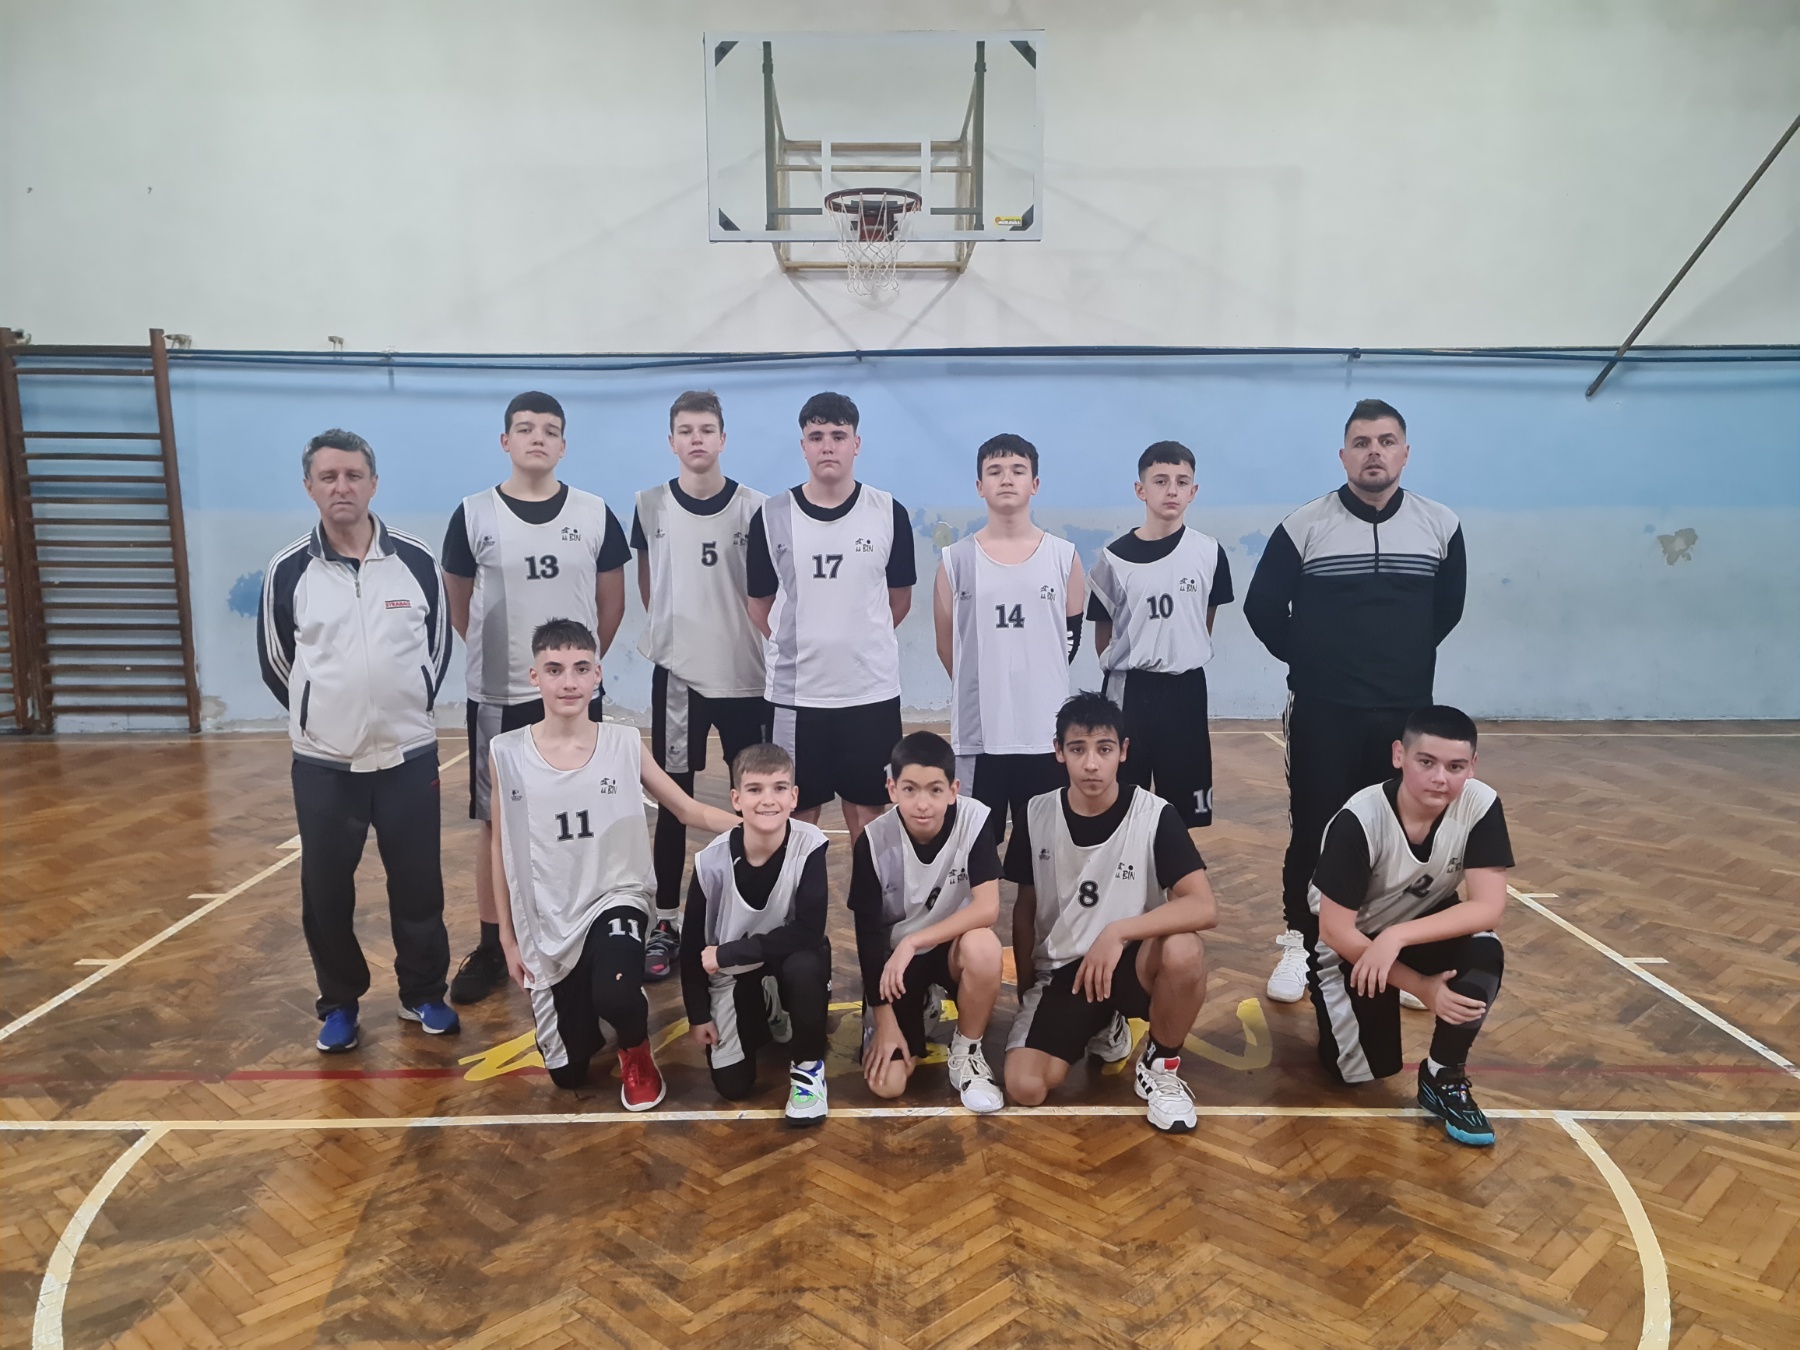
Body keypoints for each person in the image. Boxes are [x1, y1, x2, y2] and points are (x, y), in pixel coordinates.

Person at [1243, 399, 1466, 1006]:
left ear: (1404, 453)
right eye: (1362, 443)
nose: (1374, 453)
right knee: (1316, 829)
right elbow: (1262, 608)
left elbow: (1446, 611)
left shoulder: (1440, 524)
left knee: (1403, 831)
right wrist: (1313, 662)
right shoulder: (1305, 525)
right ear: (1343, 456)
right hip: (1324, 711)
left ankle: (1393, 949)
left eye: (1386, 442)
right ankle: (1300, 942)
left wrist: (1399, 661)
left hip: (1405, 714)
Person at [257, 429, 457, 1053]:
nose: (341, 487)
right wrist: (320, 716)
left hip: (407, 757)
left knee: (419, 886)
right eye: (328, 477)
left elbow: (438, 648)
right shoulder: (288, 569)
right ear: (309, 487)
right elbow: (277, 662)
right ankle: (340, 1004)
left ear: (373, 484)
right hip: (324, 765)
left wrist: (407, 703)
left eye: (352, 476)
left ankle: (422, 994)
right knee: (326, 894)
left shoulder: (416, 561)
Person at [489, 618, 739, 1108]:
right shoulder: (507, 753)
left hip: (615, 896)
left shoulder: (622, 742)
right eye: (555, 670)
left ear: (597, 675)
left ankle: (635, 1048)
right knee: (569, 1072)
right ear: (534, 677)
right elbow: (502, 846)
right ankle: (588, 1001)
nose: (569, 682)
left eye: (581, 668)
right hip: (547, 916)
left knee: (618, 994)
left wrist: (756, 825)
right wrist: (506, 937)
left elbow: (686, 809)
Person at [440, 391, 632, 1006]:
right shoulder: (473, 514)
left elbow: (611, 603)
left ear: (563, 445)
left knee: (586, 810)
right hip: (499, 694)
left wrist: (574, 674)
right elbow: (459, 602)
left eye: (550, 430)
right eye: (525, 428)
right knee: (495, 822)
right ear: (506, 441)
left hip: (573, 696)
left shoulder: (594, 512)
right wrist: (508, 663)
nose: (537, 438)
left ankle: (586, 931)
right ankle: (492, 943)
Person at [1003, 692, 1218, 1134]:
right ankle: (1104, 1025)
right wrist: (1027, 990)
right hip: (1064, 971)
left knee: (1184, 949)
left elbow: (1203, 905)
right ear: (1058, 752)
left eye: (1103, 749)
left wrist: (1117, 932)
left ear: (1123, 751)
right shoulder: (1035, 814)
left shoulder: (1155, 814)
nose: (1091, 764)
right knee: (1026, 1086)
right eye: (1077, 749)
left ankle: (1160, 1066)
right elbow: (1025, 911)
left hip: (1132, 962)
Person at [1309, 705, 1510, 1147]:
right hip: (1351, 941)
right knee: (1360, 1072)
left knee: (1484, 951)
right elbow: (1335, 931)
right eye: (1427, 762)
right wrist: (1422, 987)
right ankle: (1333, 1005)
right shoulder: (1359, 820)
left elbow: (1489, 907)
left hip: (1417, 925)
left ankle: (1444, 1075)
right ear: (1399, 755)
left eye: (1455, 767)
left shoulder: (1479, 804)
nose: (1440, 778)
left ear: (1472, 766)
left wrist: (1397, 937)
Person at [632, 390, 770, 983]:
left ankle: (750, 916)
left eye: (706, 429)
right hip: (679, 677)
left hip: (745, 676)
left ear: (722, 438)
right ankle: (666, 919)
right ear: (672, 441)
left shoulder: (756, 508)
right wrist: (678, 637)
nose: (696, 439)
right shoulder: (649, 505)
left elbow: (766, 593)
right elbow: (649, 586)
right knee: (673, 801)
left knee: (756, 801)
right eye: (685, 430)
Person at [745, 392, 916, 845]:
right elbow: (758, 603)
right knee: (796, 813)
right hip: (797, 697)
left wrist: (858, 641)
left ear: (856, 444)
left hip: (870, 692)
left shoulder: (888, 512)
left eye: (838, 436)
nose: (827, 446)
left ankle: (870, 896)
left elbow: (899, 599)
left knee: (870, 811)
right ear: (803, 445)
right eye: (816, 436)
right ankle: (799, 895)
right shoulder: (771, 516)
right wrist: (799, 644)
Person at [934, 433, 1084, 844]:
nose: (1006, 479)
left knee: (1044, 850)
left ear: (1034, 483)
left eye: (1018, 470)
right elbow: (947, 646)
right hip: (979, 738)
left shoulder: (1064, 556)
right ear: (979, 485)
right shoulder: (955, 561)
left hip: (1044, 733)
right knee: (974, 849)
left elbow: (1069, 642)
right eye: (994, 471)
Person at [850, 732, 1006, 1113]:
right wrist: (884, 1021)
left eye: (935, 790)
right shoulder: (872, 841)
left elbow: (988, 908)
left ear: (953, 790)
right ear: (892, 789)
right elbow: (867, 939)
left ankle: (967, 1052)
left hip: (949, 947)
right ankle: (917, 1006)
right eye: (910, 789)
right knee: (888, 1085)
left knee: (984, 947)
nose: (922, 803)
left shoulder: (974, 820)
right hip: (895, 965)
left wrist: (914, 941)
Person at [681, 742, 833, 1125]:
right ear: (736, 799)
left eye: (779, 788)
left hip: (784, 958)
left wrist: (729, 953)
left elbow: (810, 931)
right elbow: (691, 946)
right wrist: (698, 1014)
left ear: (794, 796)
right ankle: (768, 1002)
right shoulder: (711, 862)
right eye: (755, 789)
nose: (768, 800)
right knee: (733, 1086)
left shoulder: (810, 844)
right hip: (735, 975)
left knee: (806, 964)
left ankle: (809, 1071)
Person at [1087, 440, 1233, 829]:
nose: (1172, 490)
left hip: (1185, 690)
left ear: (1193, 491)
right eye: (1161, 480)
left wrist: (1177, 654)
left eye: (1182, 482)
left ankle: (1176, 865)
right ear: (1141, 490)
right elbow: (1104, 635)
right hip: (1129, 691)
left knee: (1184, 808)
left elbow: (1204, 620)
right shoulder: (1112, 559)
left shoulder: (1209, 553)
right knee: (1122, 800)